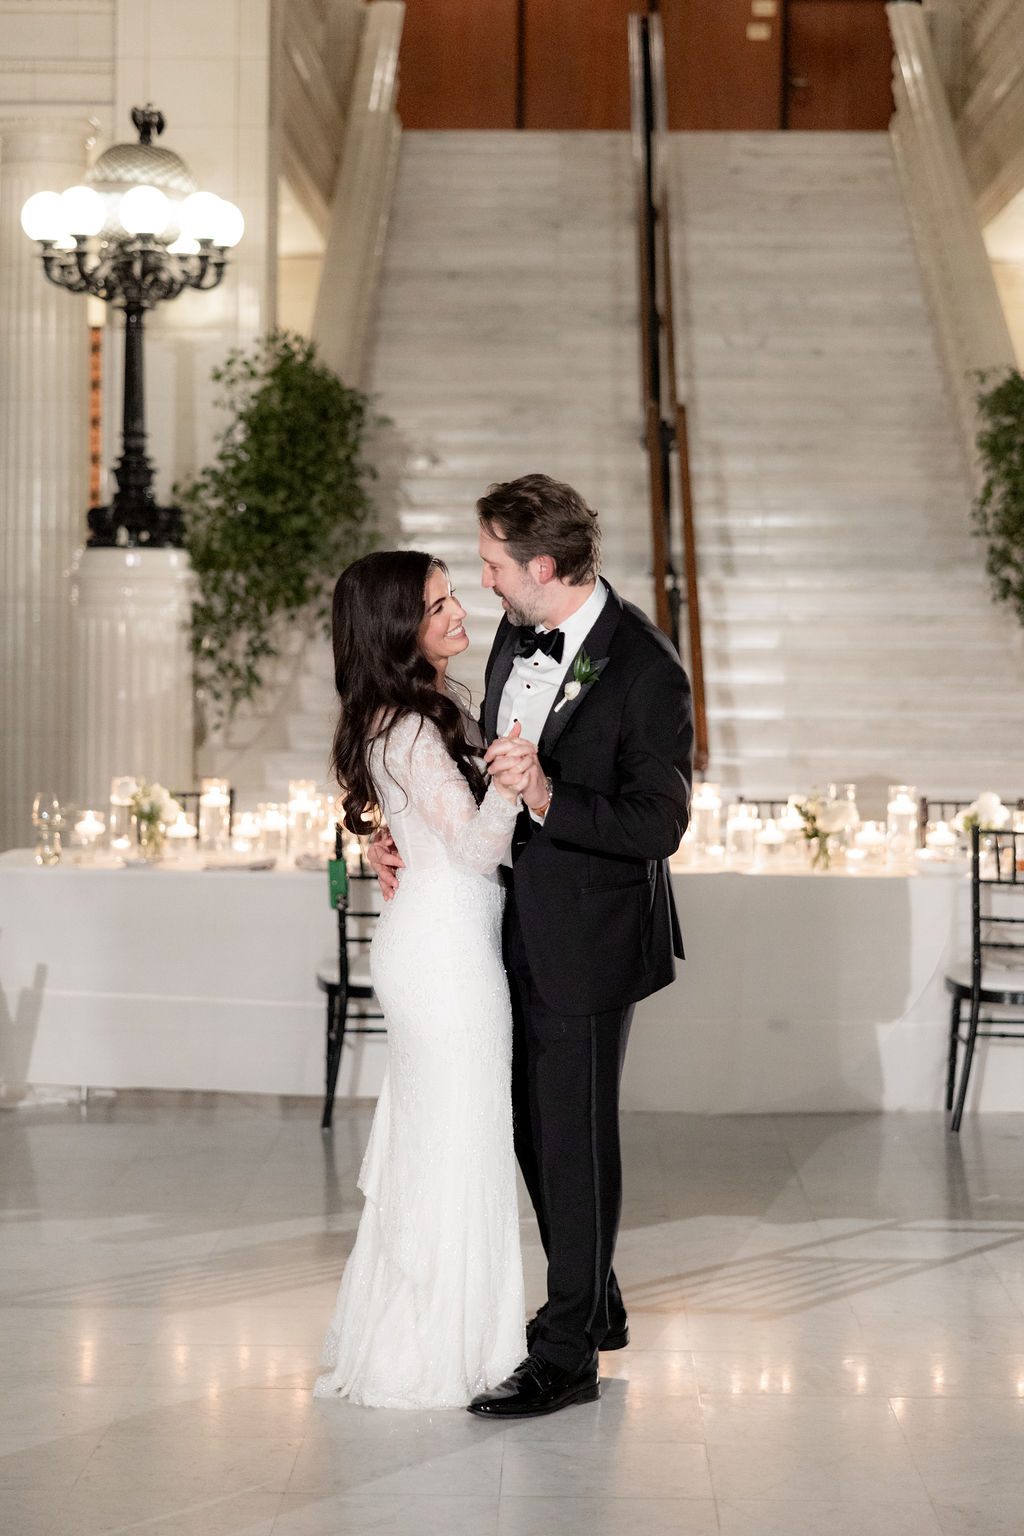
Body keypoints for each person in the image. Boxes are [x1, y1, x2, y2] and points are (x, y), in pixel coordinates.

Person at [370, 474, 693, 1419]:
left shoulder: (647, 668)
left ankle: (564, 1357)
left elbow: (659, 822)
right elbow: (471, 760)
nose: (484, 586)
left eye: (492, 566)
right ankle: (592, 1298)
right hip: (491, 928)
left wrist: (550, 798)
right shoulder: (518, 632)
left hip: (589, 935)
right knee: (526, 1129)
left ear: (541, 568)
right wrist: (391, 831)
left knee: (573, 1136)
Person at [314, 549, 538, 1410]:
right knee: (458, 1146)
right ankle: (442, 1352)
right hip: (446, 959)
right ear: (393, 630)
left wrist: (390, 841)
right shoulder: (411, 726)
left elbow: (421, 829)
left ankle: (442, 1335)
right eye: (437, 604)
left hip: (437, 943)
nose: (457, 613)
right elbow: (480, 848)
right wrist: (515, 778)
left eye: (452, 595)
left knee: (444, 1142)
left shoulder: (417, 710)